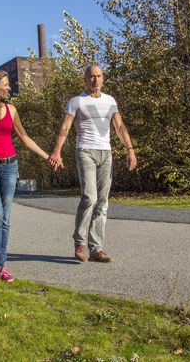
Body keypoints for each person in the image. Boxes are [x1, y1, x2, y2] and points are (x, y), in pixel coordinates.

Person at [0, 70, 53, 284]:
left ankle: (0, 266)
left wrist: (47, 156)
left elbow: (24, 137)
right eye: (6, 84)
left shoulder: (11, 109)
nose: (9, 88)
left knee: (5, 216)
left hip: (10, 167)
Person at [47, 65, 137, 263]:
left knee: (103, 201)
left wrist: (130, 150)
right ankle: (80, 243)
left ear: (103, 78)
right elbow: (65, 127)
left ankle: (96, 248)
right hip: (85, 151)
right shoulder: (76, 101)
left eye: (99, 76)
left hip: (106, 153)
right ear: (85, 79)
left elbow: (119, 127)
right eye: (92, 76)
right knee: (89, 197)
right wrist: (57, 151)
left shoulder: (110, 101)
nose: (95, 79)